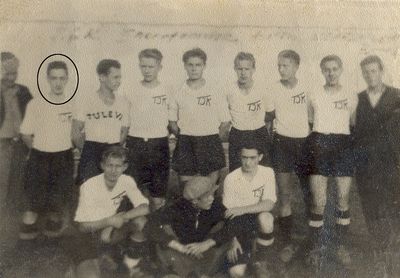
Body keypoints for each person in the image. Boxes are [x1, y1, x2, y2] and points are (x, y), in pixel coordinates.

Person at [306, 55, 357, 267]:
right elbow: (310, 121)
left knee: (343, 198)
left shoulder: (351, 95)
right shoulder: (314, 94)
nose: (331, 72)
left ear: (341, 69)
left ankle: (341, 246)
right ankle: (316, 246)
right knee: (319, 201)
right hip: (319, 143)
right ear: (321, 71)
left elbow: (353, 123)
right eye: (327, 69)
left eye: (335, 68)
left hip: (342, 143)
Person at [353, 55, 400, 275]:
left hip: (390, 163)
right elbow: (352, 128)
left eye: (374, 71)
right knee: (370, 206)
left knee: (391, 206)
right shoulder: (358, 99)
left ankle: (393, 250)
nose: (370, 76)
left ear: (381, 71)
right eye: (366, 72)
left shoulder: (396, 95)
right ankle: (378, 251)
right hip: (365, 164)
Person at [73, 146, 150, 278]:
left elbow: (145, 207)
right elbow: (82, 227)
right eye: (109, 165)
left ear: (125, 167)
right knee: (90, 275)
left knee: (141, 221)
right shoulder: (89, 186)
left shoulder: (127, 180)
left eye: (118, 166)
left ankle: (128, 264)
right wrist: (109, 221)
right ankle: (94, 263)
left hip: (112, 230)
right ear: (102, 165)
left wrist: (121, 218)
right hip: (90, 235)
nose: (113, 170)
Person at [265, 50, 311, 263]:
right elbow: (268, 119)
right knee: (284, 195)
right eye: (279, 65)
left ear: (296, 67)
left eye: (286, 65)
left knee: (309, 193)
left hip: (303, 145)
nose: (281, 69)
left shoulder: (307, 88)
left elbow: (313, 117)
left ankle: (313, 240)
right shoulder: (273, 89)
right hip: (282, 144)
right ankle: (286, 242)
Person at [19, 61, 74, 239]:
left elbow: (77, 133)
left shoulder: (73, 104)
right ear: (47, 79)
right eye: (54, 78)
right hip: (40, 158)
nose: (58, 82)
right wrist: (38, 150)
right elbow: (26, 134)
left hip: (64, 158)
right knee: (32, 205)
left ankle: (51, 247)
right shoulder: (36, 104)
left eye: (61, 78)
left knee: (57, 205)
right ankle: (26, 244)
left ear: (67, 79)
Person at [145, 176, 232, 277]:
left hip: (205, 252)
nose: (211, 199)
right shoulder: (176, 207)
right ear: (194, 201)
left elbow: (233, 223)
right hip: (183, 252)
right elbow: (149, 225)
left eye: (212, 194)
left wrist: (208, 243)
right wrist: (178, 246)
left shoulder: (215, 204)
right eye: (207, 196)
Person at [169, 48, 231, 187]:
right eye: (190, 65)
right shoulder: (178, 91)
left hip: (210, 141)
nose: (194, 69)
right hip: (186, 142)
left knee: (210, 190)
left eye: (198, 65)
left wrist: (213, 139)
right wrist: (185, 136)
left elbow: (225, 121)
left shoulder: (215, 90)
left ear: (204, 66)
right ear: (185, 66)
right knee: (186, 190)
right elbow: (172, 122)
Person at [223, 144, 277, 277]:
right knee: (236, 272)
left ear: (260, 157)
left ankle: (261, 261)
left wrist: (242, 209)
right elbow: (229, 214)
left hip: (258, 217)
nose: (248, 162)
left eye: (252, 158)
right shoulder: (231, 178)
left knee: (266, 219)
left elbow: (269, 204)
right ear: (240, 157)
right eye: (244, 158)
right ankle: (249, 256)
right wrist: (233, 239)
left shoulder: (268, 172)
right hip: (239, 223)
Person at [124, 49, 170, 210]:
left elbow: (172, 121)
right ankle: (137, 228)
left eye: (151, 66)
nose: (147, 70)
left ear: (159, 67)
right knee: (133, 190)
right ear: (139, 66)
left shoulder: (167, 90)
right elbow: (125, 120)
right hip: (135, 143)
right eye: (144, 66)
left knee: (158, 192)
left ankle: (157, 227)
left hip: (159, 144)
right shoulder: (131, 90)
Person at [71, 59, 129, 185]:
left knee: (112, 193)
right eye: (115, 77)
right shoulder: (87, 99)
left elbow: (123, 131)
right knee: (88, 192)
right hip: (91, 151)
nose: (118, 81)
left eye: (120, 77)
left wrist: (113, 151)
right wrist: (89, 151)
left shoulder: (123, 102)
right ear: (102, 77)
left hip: (113, 151)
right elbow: (75, 133)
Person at [227, 52, 272, 172]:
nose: (243, 72)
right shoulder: (229, 90)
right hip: (238, 135)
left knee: (262, 171)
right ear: (235, 69)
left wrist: (255, 121)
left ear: (253, 69)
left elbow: (270, 113)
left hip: (259, 134)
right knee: (236, 172)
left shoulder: (263, 89)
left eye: (247, 68)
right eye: (239, 68)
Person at [0, 52, 32, 215]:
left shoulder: (23, 91)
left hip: (20, 144)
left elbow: (33, 116)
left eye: (15, 73)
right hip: (2, 145)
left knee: (19, 187)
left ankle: (14, 230)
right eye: (8, 73)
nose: (12, 77)